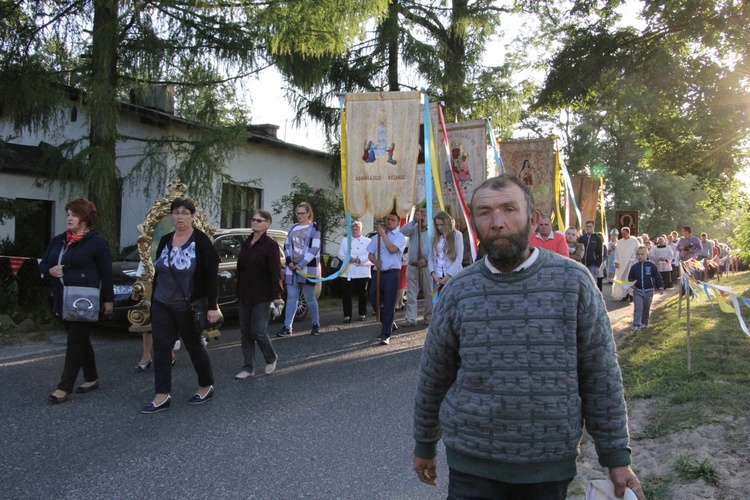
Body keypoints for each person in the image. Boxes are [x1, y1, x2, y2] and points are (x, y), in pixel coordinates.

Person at [412, 175, 644, 500]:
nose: (497, 222)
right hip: (471, 467)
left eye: (509, 209)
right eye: (485, 213)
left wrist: (616, 456)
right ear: (473, 223)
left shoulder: (573, 283)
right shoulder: (457, 291)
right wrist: (425, 442)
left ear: (532, 219)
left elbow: (600, 375)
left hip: (548, 469)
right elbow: (435, 375)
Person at [140, 197, 220, 414]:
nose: (180, 217)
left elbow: (211, 276)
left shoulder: (201, 242)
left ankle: (205, 385)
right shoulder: (166, 240)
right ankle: (161, 395)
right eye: (176, 212)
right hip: (162, 303)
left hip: (187, 306)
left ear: (193, 216)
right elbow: (159, 270)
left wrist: (212, 306)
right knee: (162, 348)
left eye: (185, 213)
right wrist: (154, 297)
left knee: (194, 346)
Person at [40, 198, 114, 404]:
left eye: (74, 215)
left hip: (85, 300)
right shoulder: (58, 240)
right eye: (68, 215)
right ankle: (91, 377)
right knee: (80, 340)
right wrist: (49, 270)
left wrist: (108, 300)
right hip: (62, 297)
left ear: (85, 218)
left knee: (75, 341)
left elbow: (106, 273)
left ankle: (64, 387)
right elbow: (44, 262)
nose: (69, 218)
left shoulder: (97, 243)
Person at [234, 210, 283, 380]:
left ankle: (271, 357)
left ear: (267, 224)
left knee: (258, 331)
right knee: (245, 332)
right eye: (253, 219)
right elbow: (241, 269)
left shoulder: (270, 245)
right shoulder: (246, 243)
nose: (255, 222)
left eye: (259, 220)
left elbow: (275, 272)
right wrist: (238, 290)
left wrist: (277, 295)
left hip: (262, 294)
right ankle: (248, 367)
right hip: (245, 293)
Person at [277, 202, 321, 337]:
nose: (299, 216)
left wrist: (301, 264)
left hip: (307, 268)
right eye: (297, 213)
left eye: (302, 213)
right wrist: (289, 261)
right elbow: (287, 245)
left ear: (308, 213)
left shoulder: (314, 228)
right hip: (292, 268)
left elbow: (314, 248)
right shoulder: (292, 228)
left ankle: (315, 323)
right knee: (291, 297)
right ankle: (287, 326)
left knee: (309, 297)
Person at [367, 212, 406, 345]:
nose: (389, 221)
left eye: (392, 220)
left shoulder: (399, 237)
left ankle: (385, 334)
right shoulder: (376, 236)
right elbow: (370, 254)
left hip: (391, 273)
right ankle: (389, 323)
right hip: (378, 272)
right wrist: (374, 261)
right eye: (388, 219)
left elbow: (392, 249)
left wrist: (383, 235)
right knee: (373, 298)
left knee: (389, 303)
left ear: (397, 223)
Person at [399, 209, 432, 327]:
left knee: (429, 293)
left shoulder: (432, 231)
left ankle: (429, 317)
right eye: (420, 215)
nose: (422, 218)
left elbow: (437, 250)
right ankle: (411, 318)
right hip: (413, 265)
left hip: (428, 266)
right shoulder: (413, 229)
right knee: (412, 294)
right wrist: (413, 221)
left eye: (425, 215)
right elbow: (402, 231)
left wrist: (427, 260)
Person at [336, 220, 371, 323]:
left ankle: (362, 313)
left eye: (357, 229)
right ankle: (347, 315)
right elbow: (340, 254)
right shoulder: (345, 240)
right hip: (349, 271)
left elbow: (369, 254)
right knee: (346, 294)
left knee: (362, 294)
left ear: (361, 230)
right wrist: (349, 259)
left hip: (362, 271)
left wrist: (360, 259)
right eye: (353, 229)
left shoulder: (367, 241)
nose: (355, 231)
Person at [628, 246, 665, 332]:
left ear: (647, 255)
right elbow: (630, 278)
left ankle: (644, 323)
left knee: (646, 308)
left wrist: (661, 286)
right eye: (638, 254)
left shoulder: (651, 266)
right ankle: (637, 325)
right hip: (638, 291)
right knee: (638, 307)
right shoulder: (634, 267)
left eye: (642, 254)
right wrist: (631, 284)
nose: (640, 256)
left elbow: (658, 277)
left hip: (649, 291)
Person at [427, 211, 464, 292]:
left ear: (447, 224)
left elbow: (459, 258)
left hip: (454, 276)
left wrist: (448, 276)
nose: (439, 227)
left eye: (441, 224)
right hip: (438, 277)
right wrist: (433, 273)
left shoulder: (457, 235)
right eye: (437, 225)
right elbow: (430, 257)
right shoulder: (434, 237)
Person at [612, 227, 639, 301]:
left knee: (630, 279)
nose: (623, 235)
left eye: (624, 233)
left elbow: (638, 251)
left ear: (628, 233)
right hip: (622, 263)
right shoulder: (620, 242)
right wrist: (616, 262)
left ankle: (631, 294)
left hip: (631, 262)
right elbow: (616, 253)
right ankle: (624, 294)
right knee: (623, 279)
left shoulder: (634, 241)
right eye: (622, 233)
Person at [578, 219, 603, 285]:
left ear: (593, 227)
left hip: (593, 264)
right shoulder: (582, 238)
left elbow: (599, 253)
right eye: (587, 226)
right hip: (582, 263)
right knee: (583, 281)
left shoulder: (597, 238)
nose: (588, 228)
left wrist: (598, 266)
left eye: (590, 226)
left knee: (592, 282)